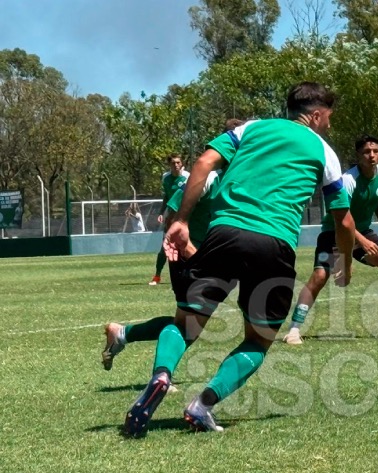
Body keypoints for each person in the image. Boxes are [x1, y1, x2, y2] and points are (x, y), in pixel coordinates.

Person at [122, 82, 355, 437]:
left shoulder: (252, 128)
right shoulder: (324, 152)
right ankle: (202, 405)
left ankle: (162, 375)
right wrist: (345, 262)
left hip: (224, 234)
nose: (329, 125)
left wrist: (181, 220)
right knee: (259, 340)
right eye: (329, 118)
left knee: (185, 324)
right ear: (317, 115)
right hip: (274, 245)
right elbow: (344, 221)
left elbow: (204, 162)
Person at [103, 120, 244, 372]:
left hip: (207, 257)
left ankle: (122, 334)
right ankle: (160, 376)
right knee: (187, 325)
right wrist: (186, 248)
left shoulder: (239, 181)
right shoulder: (208, 179)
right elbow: (172, 216)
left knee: (190, 325)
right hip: (187, 256)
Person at [282, 135, 378, 345]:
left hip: (362, 231)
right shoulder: (348, 180)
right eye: (366, 152)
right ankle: (294, 329)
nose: (371, 155)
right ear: (358, 155)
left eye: (375, 151)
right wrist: (361, 242)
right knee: (319, 276)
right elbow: (342, 219)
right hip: (334, 232)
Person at [150, 153, 190, 285]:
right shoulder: (165, 178)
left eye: (178, 162)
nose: (176, 165)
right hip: (171, 217)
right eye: (173, 163)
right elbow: (166, 196)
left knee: (187, 245)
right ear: (169, 165)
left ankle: (189, 274)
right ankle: (157, 276)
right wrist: (162, 212)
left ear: (182, 164)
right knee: (165, 246)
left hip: (186, 216)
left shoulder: (187, 177)